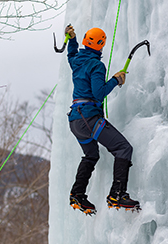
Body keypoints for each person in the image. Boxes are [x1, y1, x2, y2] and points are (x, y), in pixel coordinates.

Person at [66, 25, 140, 215]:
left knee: (91, 155)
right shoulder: (96, 65)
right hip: (89, 118)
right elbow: (98, 95)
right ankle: (117, 194)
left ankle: (77, 194)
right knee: (123, 148)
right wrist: (116, 80)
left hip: (75, 121)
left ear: (84, 41)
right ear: (101, 44)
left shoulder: (76, 61)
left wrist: (72, 39)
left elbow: (71, 54)